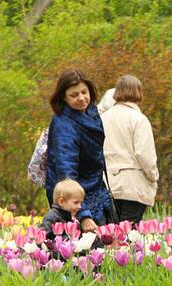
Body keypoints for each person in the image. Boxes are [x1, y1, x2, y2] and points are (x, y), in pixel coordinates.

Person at [46, 69, 110, 233]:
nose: (82, 98)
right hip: (73, 198)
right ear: (64, 97)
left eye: (84, 92)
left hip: (96, 189)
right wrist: (83, 214)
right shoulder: (63, 125)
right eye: (74, 95)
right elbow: (66, 171)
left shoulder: (91, 113)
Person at [100, 75, 159, 224]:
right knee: (129, 235)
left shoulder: (103, 118)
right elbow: (144, 154)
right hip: (133, 185)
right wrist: (153, 176)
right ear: (138, 92)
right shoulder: (138, 119)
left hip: (107, 184)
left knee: (112, 236)